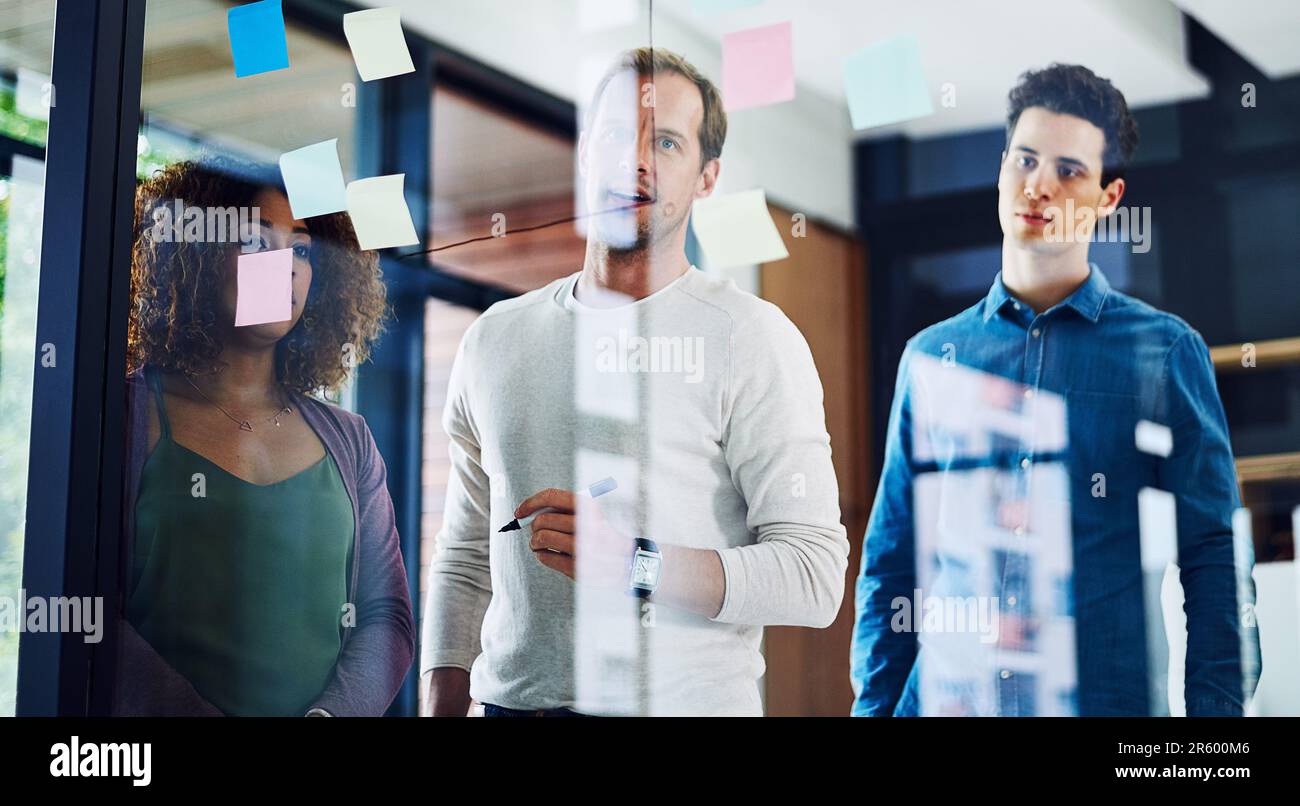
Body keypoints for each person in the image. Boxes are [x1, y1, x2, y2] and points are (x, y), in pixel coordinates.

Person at [421, 47, 848, 716]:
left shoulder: (751, 339)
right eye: (619, 133)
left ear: (707, 178)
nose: (637, 158)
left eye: (668, 142)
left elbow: (814, 577)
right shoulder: (493, 339)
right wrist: (440, 703)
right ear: (588, 151)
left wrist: (634, 565)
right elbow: (468, 556)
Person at [851, 64, 1260, 717]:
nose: (1039, 185)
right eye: (1025, 160)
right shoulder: (931, 358)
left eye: (1069, 170)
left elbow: (1212, 558)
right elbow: (892, 562)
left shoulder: (1164, 352)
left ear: (1108, 197)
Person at [116, 158, 414, 716]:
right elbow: (92, 623)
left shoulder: (349, 440)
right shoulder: (126, 413)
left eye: (301, 250)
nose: (285, 268)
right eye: (256, 241)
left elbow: (385, 615)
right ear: (197, 258)